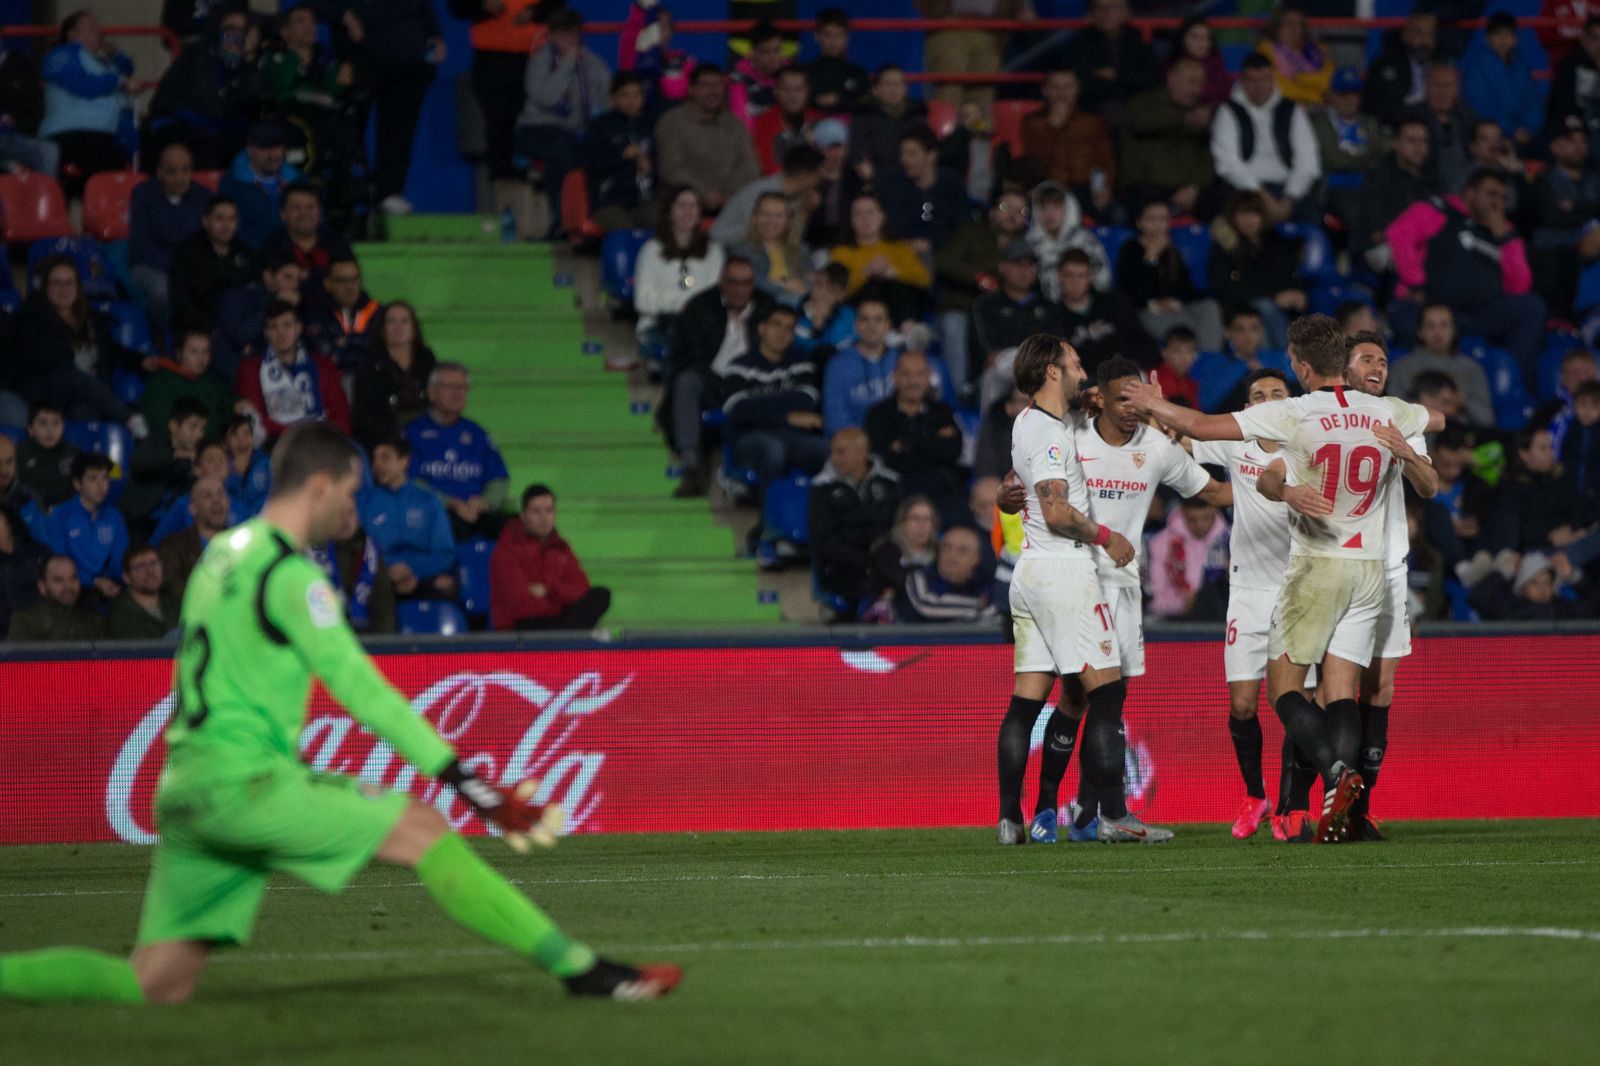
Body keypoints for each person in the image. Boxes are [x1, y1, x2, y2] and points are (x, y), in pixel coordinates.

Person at [0, 423, 680, 1002]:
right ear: (320, 486)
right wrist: (469, 783)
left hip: (186, 789)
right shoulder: (290, 575)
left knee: (152, 985)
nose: (353, 509)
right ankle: (583, 970)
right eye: (351, 492)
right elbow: (363, 689)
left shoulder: (217, 558)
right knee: (423, 827)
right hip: (248, 785)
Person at [1127, 314, 1440, 844]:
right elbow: (1437, 419)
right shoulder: (1385, 410)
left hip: (1318, 565)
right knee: (1341, 692)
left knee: (1284, 690)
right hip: (1371, 571)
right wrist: (1410, 437)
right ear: (1344, 361)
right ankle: (1343, 807)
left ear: (1300, 365)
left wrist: (1150, 402)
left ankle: (1339, 775)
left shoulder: (1296, 413)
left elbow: (1201, 426)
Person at [999, 355, 1229, 837]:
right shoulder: (1069, 434)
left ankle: (1066, 812)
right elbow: (1024, 488)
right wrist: (1006, 499)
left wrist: (1268, 484)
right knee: (1101, 698)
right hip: (1074, 576)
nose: (1132, 408)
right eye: (1123, 397)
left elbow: (1212, 493)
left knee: (1080, 702)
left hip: (1116, 586)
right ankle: (1105, 814)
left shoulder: (1157, 449)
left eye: (1140, 397)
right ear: (1098, 397)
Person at [996, 334, 1168, 846]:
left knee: (1027, 701)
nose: (1081, 373)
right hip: (1064, 572)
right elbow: (1054, 509)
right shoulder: (1050, 433)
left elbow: (1023, 490)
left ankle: (1011, 819)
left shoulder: (1031, 421)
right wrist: (1105, 535)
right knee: (1108, 693)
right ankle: (1113, 814)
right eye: (1073, 365)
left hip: (1029, 572)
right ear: (1052, 371)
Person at [1329, 331, 1441, 837]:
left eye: (1383, 359)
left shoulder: (1398, 417)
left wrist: (1406, 451)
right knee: (1328, 687)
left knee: (1378, 686)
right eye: (1366, 358)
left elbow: (1430, 487)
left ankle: (1359, 809)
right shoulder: (1322, 416)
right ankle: (1310, 801)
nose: (1377, 366)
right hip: (1330, 567)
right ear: (1344, 368)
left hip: (1388, 568)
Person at [1184, 368, 1301, 838]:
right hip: (1248, 594)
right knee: (1243, 704)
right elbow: (1187, 433)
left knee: (1296, 703)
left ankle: (1293, 805)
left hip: (1298, 592)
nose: (1268, 400)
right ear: (1248, 408)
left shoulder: (1309, 448)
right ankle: (1256, 795)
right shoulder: (1238, 446)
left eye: (1277, 393)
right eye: (1258, 395)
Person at [1386, 169, 1546, 373]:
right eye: (1491, 194)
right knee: (1404, 314)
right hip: (1433, 307)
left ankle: (1517, 386)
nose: (1497, 202)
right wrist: (1416, 282)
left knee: (1532, 308)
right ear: (1470, 193)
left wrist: (1503, 238)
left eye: (1502, 197)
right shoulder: (1438, 210)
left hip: (1481, 313)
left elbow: (1519, 287)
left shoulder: (1505, 233)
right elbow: (1399, 234)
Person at [660, 257, 771, 498]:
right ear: (722, 282)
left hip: (752, 382)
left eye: (746, 283)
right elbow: (685, 355)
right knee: (687, 382)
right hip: (711, 379)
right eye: (733, 282)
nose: (740, 290)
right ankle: (690, 465)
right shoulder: (700, 307)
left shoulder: (766, 308)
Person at [333, 0, 447, 215]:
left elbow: (423, 6)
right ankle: (344, 196)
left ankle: (389, 193)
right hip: (361, 56)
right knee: (349, 131)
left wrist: (434, 33)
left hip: (408, 61)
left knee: (399, 133)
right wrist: (344, 14)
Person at [16, 255, 146, 430]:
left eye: (69, 283)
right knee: (68, 373)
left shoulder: (90, 319)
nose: (63, 289)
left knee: (85, 412)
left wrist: (141, 361)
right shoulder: (32, 319)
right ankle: (128, 417)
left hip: (90, 394)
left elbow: (111, 351)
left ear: (78, 287)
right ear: (44, 287)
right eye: (56, 283)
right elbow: (49, 362)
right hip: (52, 393)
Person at [516, 6, 610, 234]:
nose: (568, 40)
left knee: (600, 152)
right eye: (561, 34)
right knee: (563, 153)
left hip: (577, 132)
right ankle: (559, 222)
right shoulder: (541, 61)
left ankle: (593, 221)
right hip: (536, 129)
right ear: (552, 35)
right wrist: (567, 64)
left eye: (573, 34)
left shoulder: (593, 63)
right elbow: (547, 97)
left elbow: (606, 98)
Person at [719, 304, 829, 491]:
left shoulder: (801, 364)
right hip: (748, 439)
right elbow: (737, 408)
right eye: (776, 325)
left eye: (788, 328)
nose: (782, 333)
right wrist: (787, 416)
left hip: (792, 438)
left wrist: (759, 404)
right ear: (762, 328)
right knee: (773, 450)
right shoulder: (739, 366)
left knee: (828, 449)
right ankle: (768, 516)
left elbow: (807, 400)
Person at [933, 191, 1030, 389]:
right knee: (953, 324)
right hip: (963, 305)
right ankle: (960, 390)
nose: (1012, 215)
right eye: (1005, 208)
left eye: (1020, 211)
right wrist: (978, 277)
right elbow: (944, 261)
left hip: (1001, 312)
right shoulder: (972, 233)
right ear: (992, 212)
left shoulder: (1027, 246)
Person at [146, 5, 261, 170]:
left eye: (243, 31)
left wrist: (249, 59)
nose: (236, 36)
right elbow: (214, 108)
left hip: (217, 133)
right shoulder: (198, 56)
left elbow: (252, 102)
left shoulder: (247, 63)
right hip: (181, 128)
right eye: (230, 29)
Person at [405, 363, 511, 540]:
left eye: (462, 387)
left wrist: (485, 502)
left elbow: (498, 478)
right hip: (435, 513)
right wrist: (450, 503)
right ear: (431, 392)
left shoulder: (477, 434)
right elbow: (410, 482)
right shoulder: (413, 433)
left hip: (476, 512)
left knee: (515, 530)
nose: (458, 393)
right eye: (450, 386)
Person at [1211, 54, 1321, 223]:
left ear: (1272, 79)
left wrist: (1289, 198)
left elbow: (1308, 161)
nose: (1259, 86)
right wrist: (1262, 197)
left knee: (1314, 213)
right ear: (1242, 81)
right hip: (1244, 189)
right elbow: (1228, 163)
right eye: (1252, 80)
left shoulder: (1292, 110)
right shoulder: (1227, 111)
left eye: (1264, 79)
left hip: (1287, 188)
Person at [453, 0, 547, 195]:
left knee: (536, 119)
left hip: (534, 56)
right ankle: (503, 180)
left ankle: (536, 175)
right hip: (491, 58)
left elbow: (557, 5)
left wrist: (534, 11)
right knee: (498, 120)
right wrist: (483, 5)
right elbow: (458, 7)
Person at [489, 483, 611, 631]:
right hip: (521, 629)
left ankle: (565, 631)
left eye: (548, 510)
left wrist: (550, 589)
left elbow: (582, 591)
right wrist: (562, 604)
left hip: (559, 621)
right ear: (523, 515)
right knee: (578, 624)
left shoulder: (561, 548)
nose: (543, 518)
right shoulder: (506, 551)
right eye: (536, 511)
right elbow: (520, 607)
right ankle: (566, 632)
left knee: (601, 595)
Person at [808, 427, 902, 616]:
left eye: (841, 452)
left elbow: (898, 528)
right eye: (832, 452)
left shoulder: (890, 483)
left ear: (862, 452)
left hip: (886, 563)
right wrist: (866, 561)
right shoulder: (822, 488)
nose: (834, 458)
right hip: (843, 569)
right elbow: (823, 541)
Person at [39, 11, 134, 197]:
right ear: (72, 34)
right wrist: (118, 81)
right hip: (73, 135)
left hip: (107, 136)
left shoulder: (103, 63)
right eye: (91, 28)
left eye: (98, 28)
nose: (98, 32)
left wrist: (116, 55)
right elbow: (83, 85)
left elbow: (127, 69)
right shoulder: (60, 55)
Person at [358, 436, 457, 602]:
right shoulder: (366, 503)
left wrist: (411, 571)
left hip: (423, 576)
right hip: (381, 578)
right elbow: (361, 552)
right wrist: (390, 571)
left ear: (404, 461)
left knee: (445, 585)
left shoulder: (428, 500)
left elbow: (445, 553)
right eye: (374, 459)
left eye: (385, 458)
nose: (377, 465)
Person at [235, 300, 352, 440]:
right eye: (273, 327)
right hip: (275, 445)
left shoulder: (323, 365)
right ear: (266, 332)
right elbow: (257, 420)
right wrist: (301, 436)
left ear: (299, 328)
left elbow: (340, 414)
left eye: (287, 325)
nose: (281, 333)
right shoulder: (251, 369)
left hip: (322, 444)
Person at [1118, 199, 1224, 353]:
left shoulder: (1171, 250)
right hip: (1146, 311)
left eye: (1162, 219)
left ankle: (1209, 360)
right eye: (1151, 219)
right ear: (1139, 223)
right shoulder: (1131, 249)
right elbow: (1133, 292)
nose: (1158, 225)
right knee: (1187, 327)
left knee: (1210, 308)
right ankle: (1199, 363)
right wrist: (1151, 258)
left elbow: (1185, 287)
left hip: (1175, 307)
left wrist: (1177, 301)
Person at [633, 188, 725, 364]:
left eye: (693, 206)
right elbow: (642, 300)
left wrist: (689, 306)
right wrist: (680, 303)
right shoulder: (651, 251)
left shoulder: (714, 252)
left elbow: (715, 296)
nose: (688, 212)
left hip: (702, 324)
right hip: (660, 324)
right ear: (669, 212)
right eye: (681, 206)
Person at [971, 242, 1068, 408]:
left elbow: (1057, 348)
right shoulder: (986, 305)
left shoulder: (1048, 307)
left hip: (1041, 372)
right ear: (1003, 267)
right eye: (1018, 264)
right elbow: (987, 352)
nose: (1024, 271)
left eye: (1030, 265)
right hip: (999, 373)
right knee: (997, 369)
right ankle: (991, 430)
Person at [1206, 190, 1306, 349]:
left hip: (1277, 308)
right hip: (1240, 307)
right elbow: (1226, 287)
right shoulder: (1225, 247)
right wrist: (1274, 296)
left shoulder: (1275, 242)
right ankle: (1285, 358)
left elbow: (1288, 275)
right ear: (1233, 217)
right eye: (1243, 214)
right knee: (1264, 309)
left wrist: (1296, 292)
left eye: (1254, 214)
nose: (1249, 220)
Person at [654, 64, 760, 215]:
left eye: (718, 85)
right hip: (683, 206)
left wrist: (727, 195)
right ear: (691, 89)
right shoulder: (672, 122)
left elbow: (750, 166)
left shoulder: (735, 123)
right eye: (705, 86)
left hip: (731, 203)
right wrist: (703, 194)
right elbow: (671, 169)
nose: (713, 91)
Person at [129, 143, 211, 335]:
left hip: (189, 264)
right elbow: (142, 244)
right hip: (149, 265)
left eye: (185, 170)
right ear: (160, 172)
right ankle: (161, 336)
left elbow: (205, 240)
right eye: (172, 171)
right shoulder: (142, 194)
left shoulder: (204, 196)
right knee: (163, 292)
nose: (180, 177)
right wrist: (178, 272)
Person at [1120, 57, 1217, 218]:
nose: (1196, 90)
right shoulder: (1145, 103)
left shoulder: (1203, 113)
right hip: (1148, 187)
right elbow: (1141, 123)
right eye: (1191, 82)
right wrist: (1185, 119)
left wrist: (1195, 186)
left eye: (1200, 83)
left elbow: (1207, 157)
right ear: (1171, 79)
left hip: (1188, 188)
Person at [864, 350, 963, 507]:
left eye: (919, 374)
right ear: (895, 377)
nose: (913, 382)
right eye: (906, 374)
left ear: (929, 377)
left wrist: (907, 444)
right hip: (895, 495)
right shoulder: (879, 414)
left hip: (940, 493)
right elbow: (885, 458)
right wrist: (932, 442)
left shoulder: (942, 411)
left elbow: (953, 451)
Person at [1529, 113, 1600, 318]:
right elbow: (1552, 218)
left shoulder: (1594, 179)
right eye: (1570, 141)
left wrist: (1576, 207)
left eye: (1582, 141)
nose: (1578, 146)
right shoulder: (1542, 181)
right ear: (1554, 147)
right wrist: (1591, 212)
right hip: (1559, 248)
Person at [1020, 71, 1116, 218]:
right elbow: (1032, 162)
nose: (1061, 93)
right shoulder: (1033, 123)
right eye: (1056, 87)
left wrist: (1101, 188)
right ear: (1045, 90)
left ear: (1077, 89)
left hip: (1085, 188)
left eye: (1067, 87)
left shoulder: (1091, 122)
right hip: (1048, 188)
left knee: (1114, 213)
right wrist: (1052, 127)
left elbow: (1103, 161)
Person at [1388, 305, 1498, 430]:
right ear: (1420, 332)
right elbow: (1392, 416)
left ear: (1453, 330)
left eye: (1444, 325)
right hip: (1415, 437)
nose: (1437, 332)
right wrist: (1425, 405)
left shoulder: (1472, 369)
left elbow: (1486, 420)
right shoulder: (1401, 368)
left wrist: (1462, 402)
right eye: (1430, 326)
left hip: (1460, 439)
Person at [1348, 117, 1436, 273]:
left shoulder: (1433, 176)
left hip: (1425, 246)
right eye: (1411, 140)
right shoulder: (1378, 176)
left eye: (1424, 141)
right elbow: (1376, 231)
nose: (1419, 147)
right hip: (1384, 250)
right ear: (1394, 143)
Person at [828, 193, 931, 324]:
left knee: (897, 285)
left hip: (898, 306)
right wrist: (866, 272)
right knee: (872, 284)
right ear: (851, 220)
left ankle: (905, 330)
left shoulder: (899, 247)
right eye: (858, 214)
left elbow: (924, 279)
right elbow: (836, 292)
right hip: (859, 308)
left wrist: (892, 272)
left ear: (882, 216)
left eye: (870, 212)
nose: (865, 219)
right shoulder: (841, 253)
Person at [351, 301, 437, 451]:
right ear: (382, 329)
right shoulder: (370, 364)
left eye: (404, 321)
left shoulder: (427, 359)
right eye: (391, 321)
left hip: (426, 437)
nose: (398, 327)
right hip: (382, 441)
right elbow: (366, 415)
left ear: (414, 328)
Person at [212, 252, 307, 385]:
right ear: (268, 276)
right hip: (239, 376)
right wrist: (274, 303)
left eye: (297, 280)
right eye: (288, 277)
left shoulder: (296, 304)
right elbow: (239, 335)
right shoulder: (239, 296)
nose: (294, 285)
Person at [579, 71, 656, 233]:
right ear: (613, 98)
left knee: (661, 230)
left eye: (637, 95)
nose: (632, 101)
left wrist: (650, 166)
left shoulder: (647, 126)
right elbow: (588, 163)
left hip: (643, 200)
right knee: (626, 234)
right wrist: (621, 156)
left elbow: (659, 165)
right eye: (625, 95)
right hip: (608, 201)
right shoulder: (600, 127)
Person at [46, 451, 129, 602]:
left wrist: (111, 580)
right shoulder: (60, 516)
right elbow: (59, 560)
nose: (101, 485)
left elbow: (120, 558)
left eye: (105, 478)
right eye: (93, 479)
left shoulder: (114, 516)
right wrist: (92, 581)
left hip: (110, 586)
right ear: (77, 484)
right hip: (75, 589)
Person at [168, 196, 257, 334]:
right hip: (196, 329)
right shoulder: (185, 253)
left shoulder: (246, 253)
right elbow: (181, 302)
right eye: (220, 218)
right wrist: (210, 330)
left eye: (231, 219)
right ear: (205, 221)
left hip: (236, 328)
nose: (226, 225)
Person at [878, 124, 972, 254]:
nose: (904, 160)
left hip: (945, 255)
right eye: (902, 154)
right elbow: (893, 227)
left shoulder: (952, 184)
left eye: (912, 154)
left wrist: (932, 244)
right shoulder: (893, 185)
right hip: (903, 254)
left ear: (931, 156)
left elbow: (963, 228)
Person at [915, 0, 1026, 108]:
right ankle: (947, 126)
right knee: (950, 86)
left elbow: (1020, 9)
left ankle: (979, 127)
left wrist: (1020, 8)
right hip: (949, 27)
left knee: (983, 91)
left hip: (990, 32)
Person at [122, 397, 210, 532]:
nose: (199, 434)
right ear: (173, 426)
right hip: (142, 523)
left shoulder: (200, 454)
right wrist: (176, 459)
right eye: (193, 427)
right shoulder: (154, 443)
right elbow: (139, 466)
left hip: (178, 527)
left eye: (202, 428)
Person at [1058, 0, 1159, 119]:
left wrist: (1117, 75)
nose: (1106, 13)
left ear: (1127, 12)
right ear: (1091, 13)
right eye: (1099, 8)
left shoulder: (1140, 45)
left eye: (1113, 7)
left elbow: (1152, 80)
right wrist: (1126, 81)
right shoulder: (1080, 45)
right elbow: (1083, 81)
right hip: (1094, 105)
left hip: (1138, 104)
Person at [709, 145, 823, 248]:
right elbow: (758, 233)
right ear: (803, 175)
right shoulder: (761, 191)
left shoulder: (800, 198)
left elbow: (793, 241)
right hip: (727, 246)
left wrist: (805, 212)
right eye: (817, 174)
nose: (820, 180)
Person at [307, 501, 395, 635]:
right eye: (339, 514)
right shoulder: (313, 552)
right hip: (324, 638)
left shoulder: (370, 554)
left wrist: (383, 647)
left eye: (350, 513)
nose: (346, 520)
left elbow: (385, 609)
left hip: (368, 639)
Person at [219, 121, 304, 250]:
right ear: (250, 149)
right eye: (265, 148)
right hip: (249, 257)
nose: (272, 155)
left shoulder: (299, 182)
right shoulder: (231, 184)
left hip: (294, 256)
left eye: (276, 147)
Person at [1463, 13, 1544, 149]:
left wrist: (1530, 128)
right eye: (1497, 35)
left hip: (1524, 134)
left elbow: (1533, 102)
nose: (1502, 40)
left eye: (1507, 35)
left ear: (1515, 39)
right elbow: (1480, 106)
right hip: (1493, 135)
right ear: (1487, 39)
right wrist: (1511, 130)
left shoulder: (1521, 66)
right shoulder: (1477, 67)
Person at [1193, 305, 1292, 415]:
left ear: (1261, 331)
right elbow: (1206, 403)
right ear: (1227, 332)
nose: (1248, 335)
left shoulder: (1277, 358)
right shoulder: (1213, 362)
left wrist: (1265, 373)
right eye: (1240, 329)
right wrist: (1243, 367)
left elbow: (1296, 393)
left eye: (1254, 328)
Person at [1311, 67, 1385, 212]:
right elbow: (1331, 159)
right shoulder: (1318, 124)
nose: (1350, 99)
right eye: (1344, 94)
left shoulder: (1370, 123)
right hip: (1331, 190)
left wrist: (1354, 161)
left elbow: (1381, 156)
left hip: (1367, 189)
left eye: (1355, 94)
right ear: (1332, 95)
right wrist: (1366, 159)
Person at [258, 184, 352, 296]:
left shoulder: (337, 245)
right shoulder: (271, 248)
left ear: (320, 212)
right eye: (296, 208)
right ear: (283, 214)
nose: (304, 214)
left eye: (310, 207)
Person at [1146, 497, 1230, 619]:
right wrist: (1184, 603)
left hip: (1223, 619)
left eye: (1206, 518)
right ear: (1182, 513)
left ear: (1214, 510)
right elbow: (1155, 600)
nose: (1200, 525)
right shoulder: (1160, 543)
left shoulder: (1231, 540)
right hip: (1178, 624)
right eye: (1192, 519)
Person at [1403, 60, 1478, 195]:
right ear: (1425, 87)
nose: (1442, 92)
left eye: (1448, 86)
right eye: (1436, 85)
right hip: (1425, 190)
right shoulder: (1410, 117)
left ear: (1457, 89)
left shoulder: (1469, 117)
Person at [157, 473, 233, 603]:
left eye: (220, 494)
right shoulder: (173, 547)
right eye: (207, 495)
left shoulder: (243, 544)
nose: (217, 500)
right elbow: (173, 588)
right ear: (193, 508)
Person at [894, 526, 995, 623]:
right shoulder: (918, 577)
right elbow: (928, 605)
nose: (951, 556)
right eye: (946, 548)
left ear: (977, 559)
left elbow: (997, 612)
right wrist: (977, 604)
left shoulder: (987, 585)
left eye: (962, 551)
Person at [1027, 182, 1110, 299]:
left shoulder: (1086, 240)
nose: (1049, 213)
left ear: (1069, 208)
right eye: (1043, 207)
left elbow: (1103, 281)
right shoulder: (1030, 243)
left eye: (1056, 206)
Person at [301, 256, 381, 374]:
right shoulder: (316, 315)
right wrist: (360, 343)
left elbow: (381, 352)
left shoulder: (377, 312)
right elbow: (322, 356)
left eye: (354, 279)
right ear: (328, 283)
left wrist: (347, 340)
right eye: (342, 280)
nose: (350, 286)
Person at [730, 191, 810, 308]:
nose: (771, 221)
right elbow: (754, 282)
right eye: (765, 214)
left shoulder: (801, 251)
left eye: (778, 216)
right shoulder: (742, 251)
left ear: (788, 221)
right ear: (754, 218)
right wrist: (785, 284)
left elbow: (811, 281)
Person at [847, 66, 928, 182]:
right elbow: (856, 152)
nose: (893, 89)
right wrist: (861, 165)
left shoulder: (917, 117)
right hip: (875, 178)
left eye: (898, 84)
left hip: (912, 177)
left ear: (906, 89)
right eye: (888, 84)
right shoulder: (864, 117)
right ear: (875, 90)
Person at [1054, 249, 1124, 375]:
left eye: (1081, 276)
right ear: (1060, 276)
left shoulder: (1113, 304)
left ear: (1090, 276)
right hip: (1079, 381)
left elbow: (1140, 341)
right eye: (1070, 275)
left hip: (1118, 375)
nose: (1076, 282)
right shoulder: (1052, 315)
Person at [5, 553, 105, 642]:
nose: (68, 586)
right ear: (42, 586)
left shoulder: (93, 622)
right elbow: (17, 660)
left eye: (73, 578)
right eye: (58, 580)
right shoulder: (26, 621)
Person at [1363, 10, 1438, 127]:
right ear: (1405, 35)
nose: (1425, 41)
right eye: (1418, 33)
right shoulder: (1386, 63)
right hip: (1399, 125)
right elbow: (1382, 106)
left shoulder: (1441, 63)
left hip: (1432, 124)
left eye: (1430, 34)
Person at [1254, 4, 1333, 107]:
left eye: (1299, 24)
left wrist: (1302, 78)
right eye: (1288, 24)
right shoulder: (1266, 50)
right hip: (1287, 106)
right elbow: (1279, 87)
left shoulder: (1317, 49)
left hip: (1321, 105)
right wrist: (1316, 97)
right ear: (1276, 27)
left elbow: (1331, 78)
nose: (1294, 29)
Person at [0, 37, 58, 176]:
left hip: (12, 136)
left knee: (48, 150)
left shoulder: (21, 65)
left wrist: (15, 120)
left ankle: (44, 196)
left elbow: (33, 108)